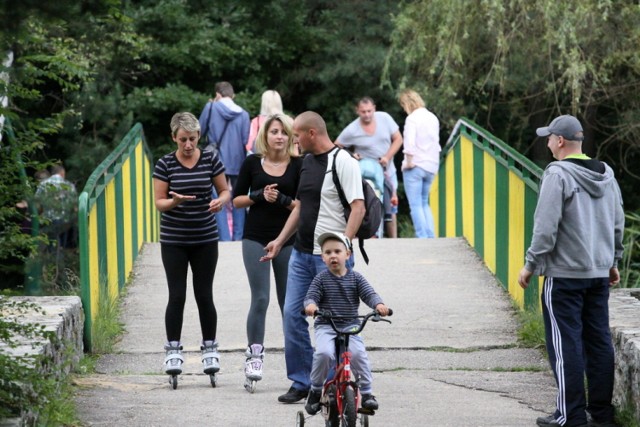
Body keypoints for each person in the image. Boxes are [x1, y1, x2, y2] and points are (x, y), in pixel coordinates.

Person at [517, 115, 624, 427]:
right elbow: (617, 222)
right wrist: (613, 262)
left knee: (565, 346)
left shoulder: (557, 174)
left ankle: (571, 415)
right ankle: (601, 415)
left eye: (549, 137)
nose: (547, 142)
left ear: (560, 141)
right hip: (598, 273)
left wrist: (530, 264)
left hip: (564, 275)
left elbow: (546, 227)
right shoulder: (607, 174)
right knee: (599, 341)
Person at [261, 111, 365, 403]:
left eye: (296, 135)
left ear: (311, 134)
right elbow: (300, 206)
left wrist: (343, 248)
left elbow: (358, 208)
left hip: (330, 258)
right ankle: (303, 381)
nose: (293, 140)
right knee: (292, 314)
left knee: (333, 321)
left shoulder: (342, 162)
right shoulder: (306, 163)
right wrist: (280, 241)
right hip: (301, 255)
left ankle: (332, 385)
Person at [153, 112, 231, 379]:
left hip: (205, 238)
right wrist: (174, 202)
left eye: (193, 139)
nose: (188, 145)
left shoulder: (210, 159)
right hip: (174, 239)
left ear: (199, 137)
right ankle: (173, 348)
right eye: (183, 140)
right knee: (177, 295)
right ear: (174, 137)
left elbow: (225, 190)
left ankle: (210, 346)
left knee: (204, 294)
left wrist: (220, 201)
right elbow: (159, 201)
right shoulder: (164, 164)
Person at [232, 113, 303, 388]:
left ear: (290, 137)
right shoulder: (252, 162)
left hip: (287, 238)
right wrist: (259, 195)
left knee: (289, 304)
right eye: (274, 131)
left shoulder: (299, 165)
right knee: (260, 298)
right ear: (265, 134)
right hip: (255, 238)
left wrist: (282, 199)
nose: (279, 137)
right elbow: (237, 200)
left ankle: (297, 361)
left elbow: (303, 205)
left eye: (284, 132)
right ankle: (254, 355)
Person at [303, 231, 390, 415]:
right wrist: (311, 305)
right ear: (323, 257)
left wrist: (379, 305)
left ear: (347, 254)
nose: (333, 256)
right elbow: (311, 296)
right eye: (327, 253)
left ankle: (366, 393)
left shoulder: (356, 278)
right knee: (324, 353)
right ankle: (315, 389)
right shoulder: (321, 279)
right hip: (327, 325)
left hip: (351, 325)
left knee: (358, 355)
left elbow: (369, 294)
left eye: (337, 251)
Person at [335, 97, 403, 238]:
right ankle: (364, 234)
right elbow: (336, 146)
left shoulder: (385, 118)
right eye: (363, 112)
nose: (367, 115)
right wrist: (351, 155)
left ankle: (394, 240)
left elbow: (398, 139)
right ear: (357, 111)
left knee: (391, 203)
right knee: (366, 203)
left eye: (369, 111)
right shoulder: (352, 129)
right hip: (366, 174)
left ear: (374, 108)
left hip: (387, 171)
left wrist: (387, 157)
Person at [199, 81, 250, 241]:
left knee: (218, 197)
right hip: (238, 161)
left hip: (215, 161)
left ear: (217, 95)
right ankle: (238, 236)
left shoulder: (211, 107)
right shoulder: (243, 114)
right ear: (232, 95)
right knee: (238, 197)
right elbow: (245, 140)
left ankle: (224, 237)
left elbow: (200, 130)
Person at [398, 89, 441, 238]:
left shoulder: (412, 119)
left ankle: (422, 237)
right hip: (431, 165)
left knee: (415, 204)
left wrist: (409, 163)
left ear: (407, 103)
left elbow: (409, 143)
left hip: (415, 165)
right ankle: (430, 236)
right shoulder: (432, 117)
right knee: (424, 202)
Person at [35, 164, 78, 251]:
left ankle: (51, 262)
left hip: (48, 220)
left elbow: (37, 203)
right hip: (64, 221)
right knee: (61, 246)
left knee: (51, 246)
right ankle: (59, 262)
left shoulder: (43, 184)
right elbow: (75, 207)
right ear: (62, 173)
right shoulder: (69, 185)